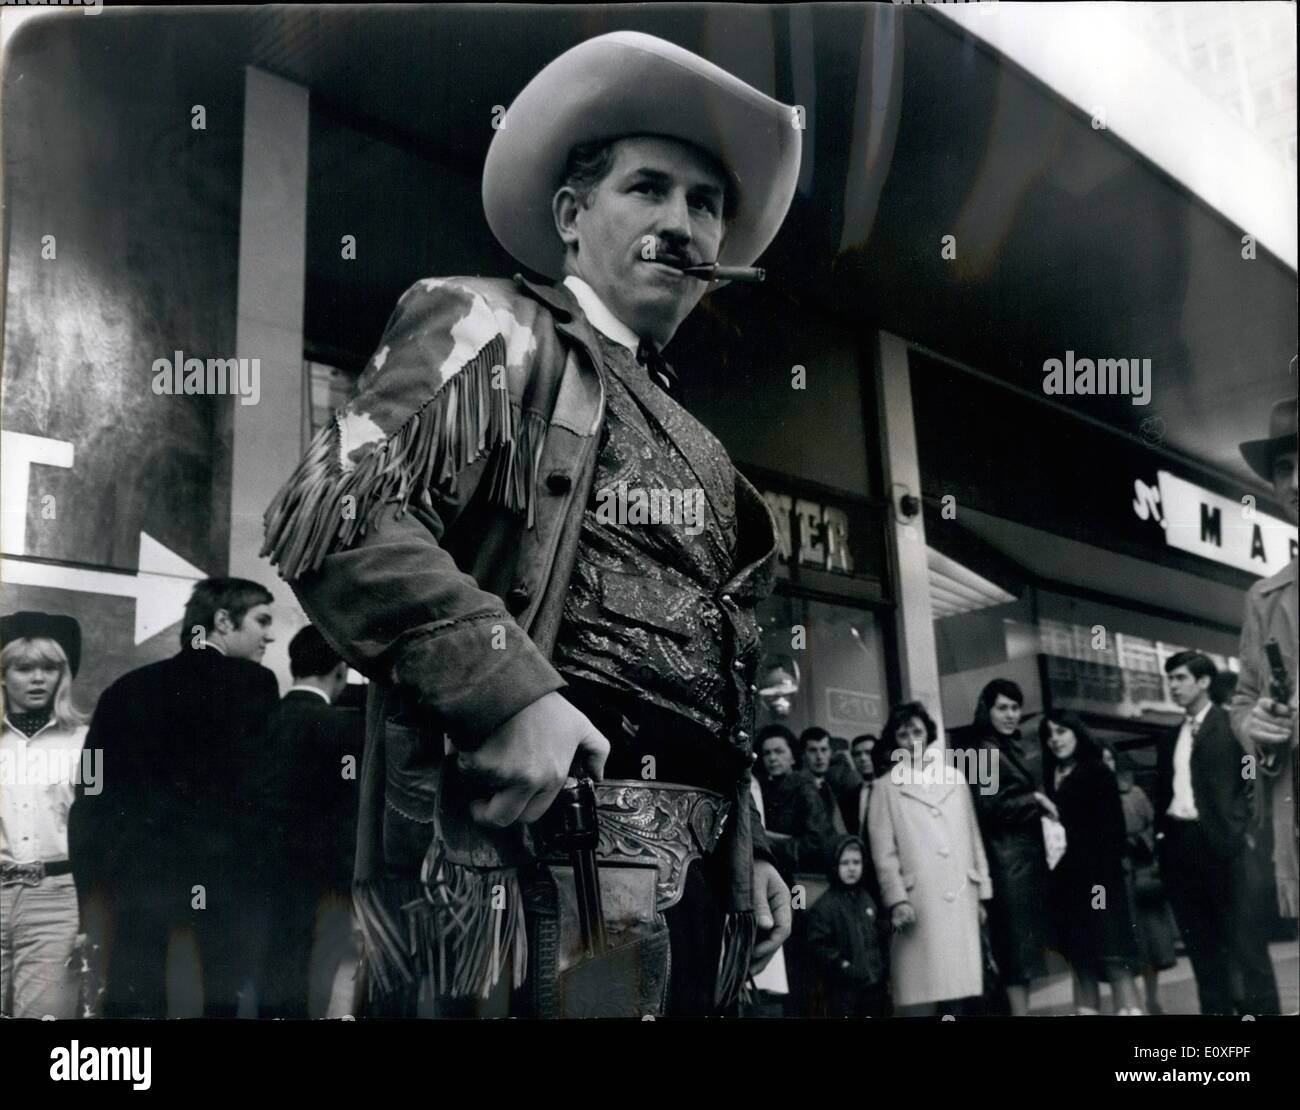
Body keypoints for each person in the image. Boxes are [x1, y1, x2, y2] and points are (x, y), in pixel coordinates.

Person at [260, 31, 801, 1017]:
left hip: (695, 897)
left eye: (706, 203)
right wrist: (506, 692)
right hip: (527, 890)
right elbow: (334, 508)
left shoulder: (701, 439)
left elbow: (705, 689)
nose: (682, 223)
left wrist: (748, 846)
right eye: (648, 188)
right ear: (570, 213)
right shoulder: (492, 327)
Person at [68, 578, 280, 1018]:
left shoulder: (122, 690)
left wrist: (92, 895)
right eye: (262, 620)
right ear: (222, 621)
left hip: (137, 897)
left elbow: (89, 793)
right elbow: (261, 794)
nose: (270, 635)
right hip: (220, 896)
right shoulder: (253, 684)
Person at [1154, 651, 1280, 1015]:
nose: (1174, 686)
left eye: (1180, 678)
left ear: (1204, 681)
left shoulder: (1232, 727)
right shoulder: (1169, 739)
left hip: (1226, 848)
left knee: (1247, 947)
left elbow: (1253, 783)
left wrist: (1243, 832)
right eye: (1171, 679)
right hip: (1181, 847)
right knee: (1201, 950)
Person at [253, 625, 365, 1018]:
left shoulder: (261, 719)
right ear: (340, 670)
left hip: (259, 887)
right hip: (326, 887)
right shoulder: (346, 728)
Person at [869, 701, 991, 1015]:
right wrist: (897, 898)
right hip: (919, 899)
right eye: (903, 732)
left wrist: (982, 892)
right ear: (894, 739)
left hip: (961, 894)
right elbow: (883, 851)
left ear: (929, 734)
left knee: (960, 989)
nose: (911, 739)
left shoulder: (955, 779)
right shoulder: (885, 787)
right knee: (924, 991)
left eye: (918, 731)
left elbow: (973, 835)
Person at [1230, 394, 1297, 926]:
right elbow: (1245, 699)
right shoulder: (1265, 598)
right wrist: (1257, 727)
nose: (1296, 482)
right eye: (1285, 469)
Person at [0, 612, 89, 1019]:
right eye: (24, 667)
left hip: (57, 901)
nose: (38, 678)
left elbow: (100, 823)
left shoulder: (89, 742)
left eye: (49, 667)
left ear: (63, 674)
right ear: (3, 675)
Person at [1040, 709, 1142, 1015]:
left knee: (1110, 951)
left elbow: (1113, 833)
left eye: (1061, 731)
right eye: (1049, 735)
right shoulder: (1055, 775)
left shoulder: (1096, 770)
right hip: (1068, 884)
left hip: (1099, 882)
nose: (1055, 740)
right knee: (1082, 958)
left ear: (1076, 732)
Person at [967, 678, 1052, 1016]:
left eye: (1015, 708)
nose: (1011, 714)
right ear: (986, 710)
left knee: (1022, 952)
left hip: (1019, 861)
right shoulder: (981, 751)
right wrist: (1035, 800)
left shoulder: (1005, 748)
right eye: (1002, 707)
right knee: (1016, 953)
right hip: (1006, 864)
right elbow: (988, 808)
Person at [1101, 743, 1177, 1016]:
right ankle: (1133, 1001)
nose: (1105, 763)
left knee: (1151, 944)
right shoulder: (1094, 796)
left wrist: (1140, 841)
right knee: (1127, 943)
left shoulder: (1134, 793)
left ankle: (1151, 998)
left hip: (1140, 872)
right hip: (1115, 875)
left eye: (1109, 758)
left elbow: (1152, 825)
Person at [806, 835, 887, 1018]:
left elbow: (877, 936)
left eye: (856, 862)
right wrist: (843, 965)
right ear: (834, 865)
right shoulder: (825, 906)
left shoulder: (866, 898)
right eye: (845, 863)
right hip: (843, 989)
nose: (851, 868)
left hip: (873, 984)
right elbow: (818, 946)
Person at [756, 726, 836, 881]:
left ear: (793, 757)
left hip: (803, 876)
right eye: (767, 753)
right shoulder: (763, 789)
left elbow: (817, 842)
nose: (772, 758)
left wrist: (769, 841)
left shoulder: (805, 789)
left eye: (779, 751)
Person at [800, 726, 859, 835]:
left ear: (831, 753)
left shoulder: (830, 784)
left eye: (824, 750)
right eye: (812, 751)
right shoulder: (799, 785)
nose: (819, 756)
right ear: (803, 755)